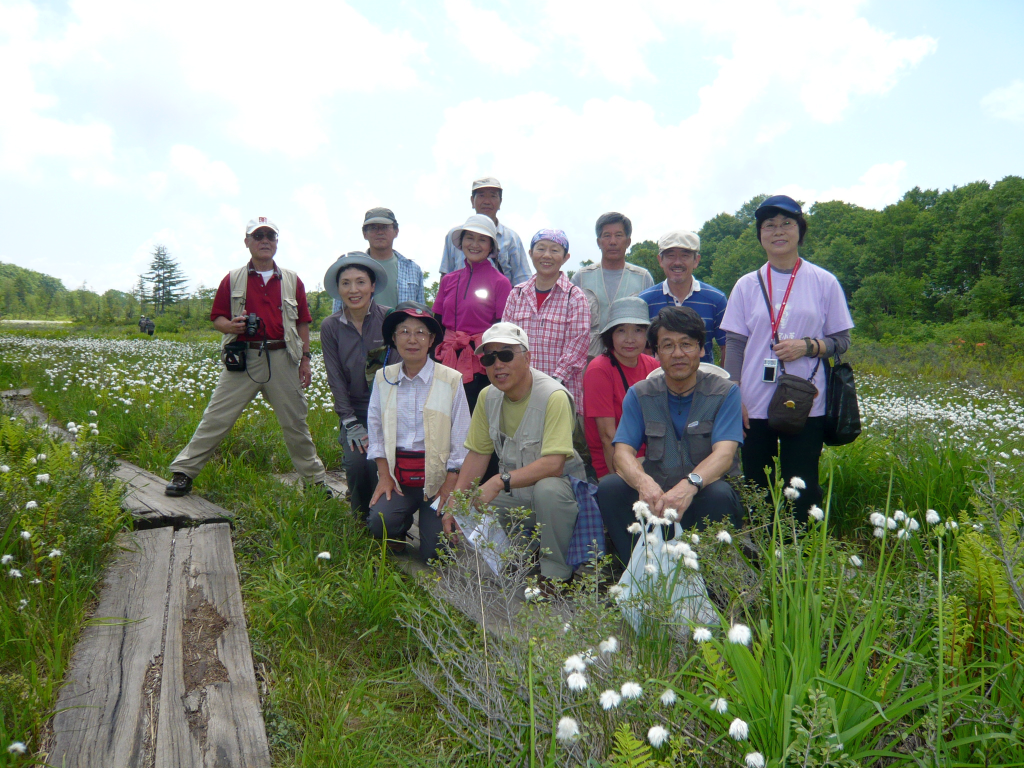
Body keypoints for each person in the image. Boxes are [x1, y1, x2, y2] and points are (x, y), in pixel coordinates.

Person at [165, 216, 329, 496]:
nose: (265, 240)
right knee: (216, 417)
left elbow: (303, 322)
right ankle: (184, 472)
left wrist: (305, 360)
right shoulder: (233, 278)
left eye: (270, 236)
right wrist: (229, 326)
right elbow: (217, 317)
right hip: (242, 359)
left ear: (276, 242)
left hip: (282, 357)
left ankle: (315, 482)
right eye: (258, 235)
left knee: (295, 423)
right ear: (247, 242)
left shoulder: (291, 280)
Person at [721, 195, 853, 521]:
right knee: (757, 481)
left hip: (807, 401)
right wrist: (733, 395)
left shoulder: (824, 281)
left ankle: (801, 554)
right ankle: (760, 555)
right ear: (760, 234)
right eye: (769, 226)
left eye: (786, 224)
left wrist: (807, 347)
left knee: (803, 482)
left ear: (799, 231)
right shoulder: (746, 285)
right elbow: (734, 345)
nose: (778, 232)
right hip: (753, 401)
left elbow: (842, 341)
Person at [596, 306, 744, 568]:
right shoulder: (640, 394)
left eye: (686, 344)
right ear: (656, 353)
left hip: (702, 496)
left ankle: (713, 583)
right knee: (610, 488)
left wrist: (689, 486)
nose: (678, 354)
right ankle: (640, 573)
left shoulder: (725, 392)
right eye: (667, 345)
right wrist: (643, 482)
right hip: (656, 499)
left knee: (720, 493)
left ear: (701, 349)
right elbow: (622, 452)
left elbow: (724, 454)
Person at [445, 322, 586, 588]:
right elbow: (477, 454)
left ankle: (557, 576)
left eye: (506, 354)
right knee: (470, 506)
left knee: (548, 491)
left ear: (528, 357)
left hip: (560, 496)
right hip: (517, 495)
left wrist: (498, 481)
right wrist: (456, 500)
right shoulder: (487, 397)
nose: (497, 364)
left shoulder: (554, 396)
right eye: (489, 358)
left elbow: (555, 465)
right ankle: (520, 553)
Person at [366, 302, 470, 559]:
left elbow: (461, 438)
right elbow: (376, 430)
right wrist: (384, 475)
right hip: (399, 476)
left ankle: (434, 523)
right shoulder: (383, 377)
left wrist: (450, 485)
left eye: (420, 332)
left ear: (432, 339)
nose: (412, 340)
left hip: (438, 479)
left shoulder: (451, 379)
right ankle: (398, 530)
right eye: (404, 331)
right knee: (380, 522)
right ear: (394, 337)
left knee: (435, 556)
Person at [321, 252, 395, 518]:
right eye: (346, 283)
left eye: (361, 282)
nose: (354, 290)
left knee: (383, 465)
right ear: (338, 289)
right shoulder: (330, 327)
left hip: (390, 412)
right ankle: (361, 520)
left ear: (373, 286)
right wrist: (350, 421)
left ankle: (389, 517)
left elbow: (400, 372)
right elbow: (335, 377)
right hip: (354, 413)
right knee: (356, 464)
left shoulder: (390, 319)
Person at [501, 229, 590, 411]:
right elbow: (505, 340)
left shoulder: (575, 297)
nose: (547, 255)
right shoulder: (516, 294)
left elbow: (577, 346)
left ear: (566, 257)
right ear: (530, 253)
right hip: (519, 391)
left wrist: (551, 384)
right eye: (541, 249)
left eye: (555, 250)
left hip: (561, 393)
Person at [433, 214, 513, 410]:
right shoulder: (448, 280)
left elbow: (501, 328)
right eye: (469, 237)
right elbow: (437, 323)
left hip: (481, 363)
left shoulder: (501, 282)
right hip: (447, 359)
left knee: (475, 417)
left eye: (482, 239)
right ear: (461, 242)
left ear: (491, 247)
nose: (475, 244)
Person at [583, 297, 660, 480]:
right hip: (617, 461)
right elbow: (607, 436)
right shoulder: (599, 369)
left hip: (653, 456)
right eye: (621, 330)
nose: (630, 339)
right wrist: (619, 482)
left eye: (638, 330)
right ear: (610, 334)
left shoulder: (653, 366)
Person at [571, 212, 654, 358]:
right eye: (607, 236)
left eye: (619, 235)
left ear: (628, 241)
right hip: (588, 360)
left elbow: (650, 326)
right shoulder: (581, 277)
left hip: (630, 359)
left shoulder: (643, 278)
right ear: (598, 242)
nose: (613, 241)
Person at [639, 230, 728, 365]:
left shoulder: (716, 300)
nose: (677, 262)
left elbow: (726, 346)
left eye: (685, 256)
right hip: (657, 382)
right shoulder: (645, 301)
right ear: (660, 260)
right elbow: (641, 351)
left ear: (696, 260)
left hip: (703, 381)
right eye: (670, 256)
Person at [330, 207, 424, 314]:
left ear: (396, 231)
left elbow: (420, 312)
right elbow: (338, 312)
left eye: (385, 227)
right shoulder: (349, 268)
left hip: (401, 329)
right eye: (373, 228)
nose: (379, 232)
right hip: (359, 330)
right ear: (364, 234)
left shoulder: (413, 269)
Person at [440, 177, 531, 286]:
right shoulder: (454, 235)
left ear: (500, 202)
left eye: (493, 196)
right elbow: (446, 276)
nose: (487, 201)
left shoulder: (511, 238)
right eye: (481, 196)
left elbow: (523, 281)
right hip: (459, 301)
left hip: (500, 301)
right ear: (472, 201)